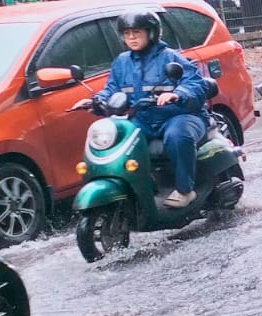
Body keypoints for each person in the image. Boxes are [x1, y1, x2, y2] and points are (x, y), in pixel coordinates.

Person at [71, 11, 210, 208]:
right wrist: (94, 101)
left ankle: (185, 190)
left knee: (177, 136)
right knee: (119, 138)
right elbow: (112, 89)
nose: (132, 37)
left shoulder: (170, 57)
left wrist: (177, 94)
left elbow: (195, 84)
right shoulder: (122, 62)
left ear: (152, 33)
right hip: (143, 118)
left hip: (179, 115)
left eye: (137, 32)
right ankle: (140, 188)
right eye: (127, 33)